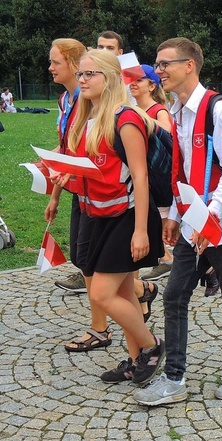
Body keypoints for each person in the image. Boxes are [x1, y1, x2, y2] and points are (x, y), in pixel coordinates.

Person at [133, 37, 222, 405]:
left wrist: (211, 219)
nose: (158, 72)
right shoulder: (176, 110)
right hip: (193, 222)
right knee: (174, 297)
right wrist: (176, 215)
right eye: (156, 65)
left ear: (189, 65)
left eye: (164, 64)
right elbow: (185, 171)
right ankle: (174, 378)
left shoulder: (218, 111)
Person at [62, 49, 165, 386]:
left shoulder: (127, 118)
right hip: (101, 215)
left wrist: (140, 233)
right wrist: (66, 178)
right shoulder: (88, 117)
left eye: (90, 74)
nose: (82, 80)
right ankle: (136, 361)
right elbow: (98, 171)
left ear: (109, 79)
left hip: (130, 216)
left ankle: (151, 347)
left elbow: (140, 177)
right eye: (81, 74)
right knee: (122, 295)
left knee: (101, 294)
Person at [45, 38, 115, 353]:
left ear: (74, 64)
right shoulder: (68, 101)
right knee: (85, 258)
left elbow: (98, 154)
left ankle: (102, 328)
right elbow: (69, 150)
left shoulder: (92, 101)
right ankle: (141, 292)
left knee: (92, 261)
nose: (50, 68)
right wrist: (55, 193)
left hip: (101, 196)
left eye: (55, 62)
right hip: (79, 190)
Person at [130, 64, 176, 302]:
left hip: (157, 175)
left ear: (151, 85)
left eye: (139, 79)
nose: (133, 83)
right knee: (152, 220)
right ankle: (166, 258)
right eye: (131, 79)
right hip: (140, 173)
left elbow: (166, 131)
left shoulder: (158, 110)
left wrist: (139, 118)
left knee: (156, 220)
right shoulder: (133, 108)